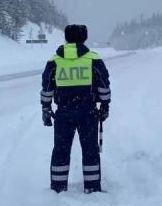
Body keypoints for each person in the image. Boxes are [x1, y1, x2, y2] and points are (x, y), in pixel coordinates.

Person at [40, 24, 111, 193]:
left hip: (64, 113)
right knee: (90, 151)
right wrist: (105, 105)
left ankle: (58, 188)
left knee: (61, 150)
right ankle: (92, 188)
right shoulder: (93, 58)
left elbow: (47, 86)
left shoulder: (55, 60)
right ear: (84, 38)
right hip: (88, 112)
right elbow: (103, 84)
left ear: (66, 38)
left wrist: (46, 108)